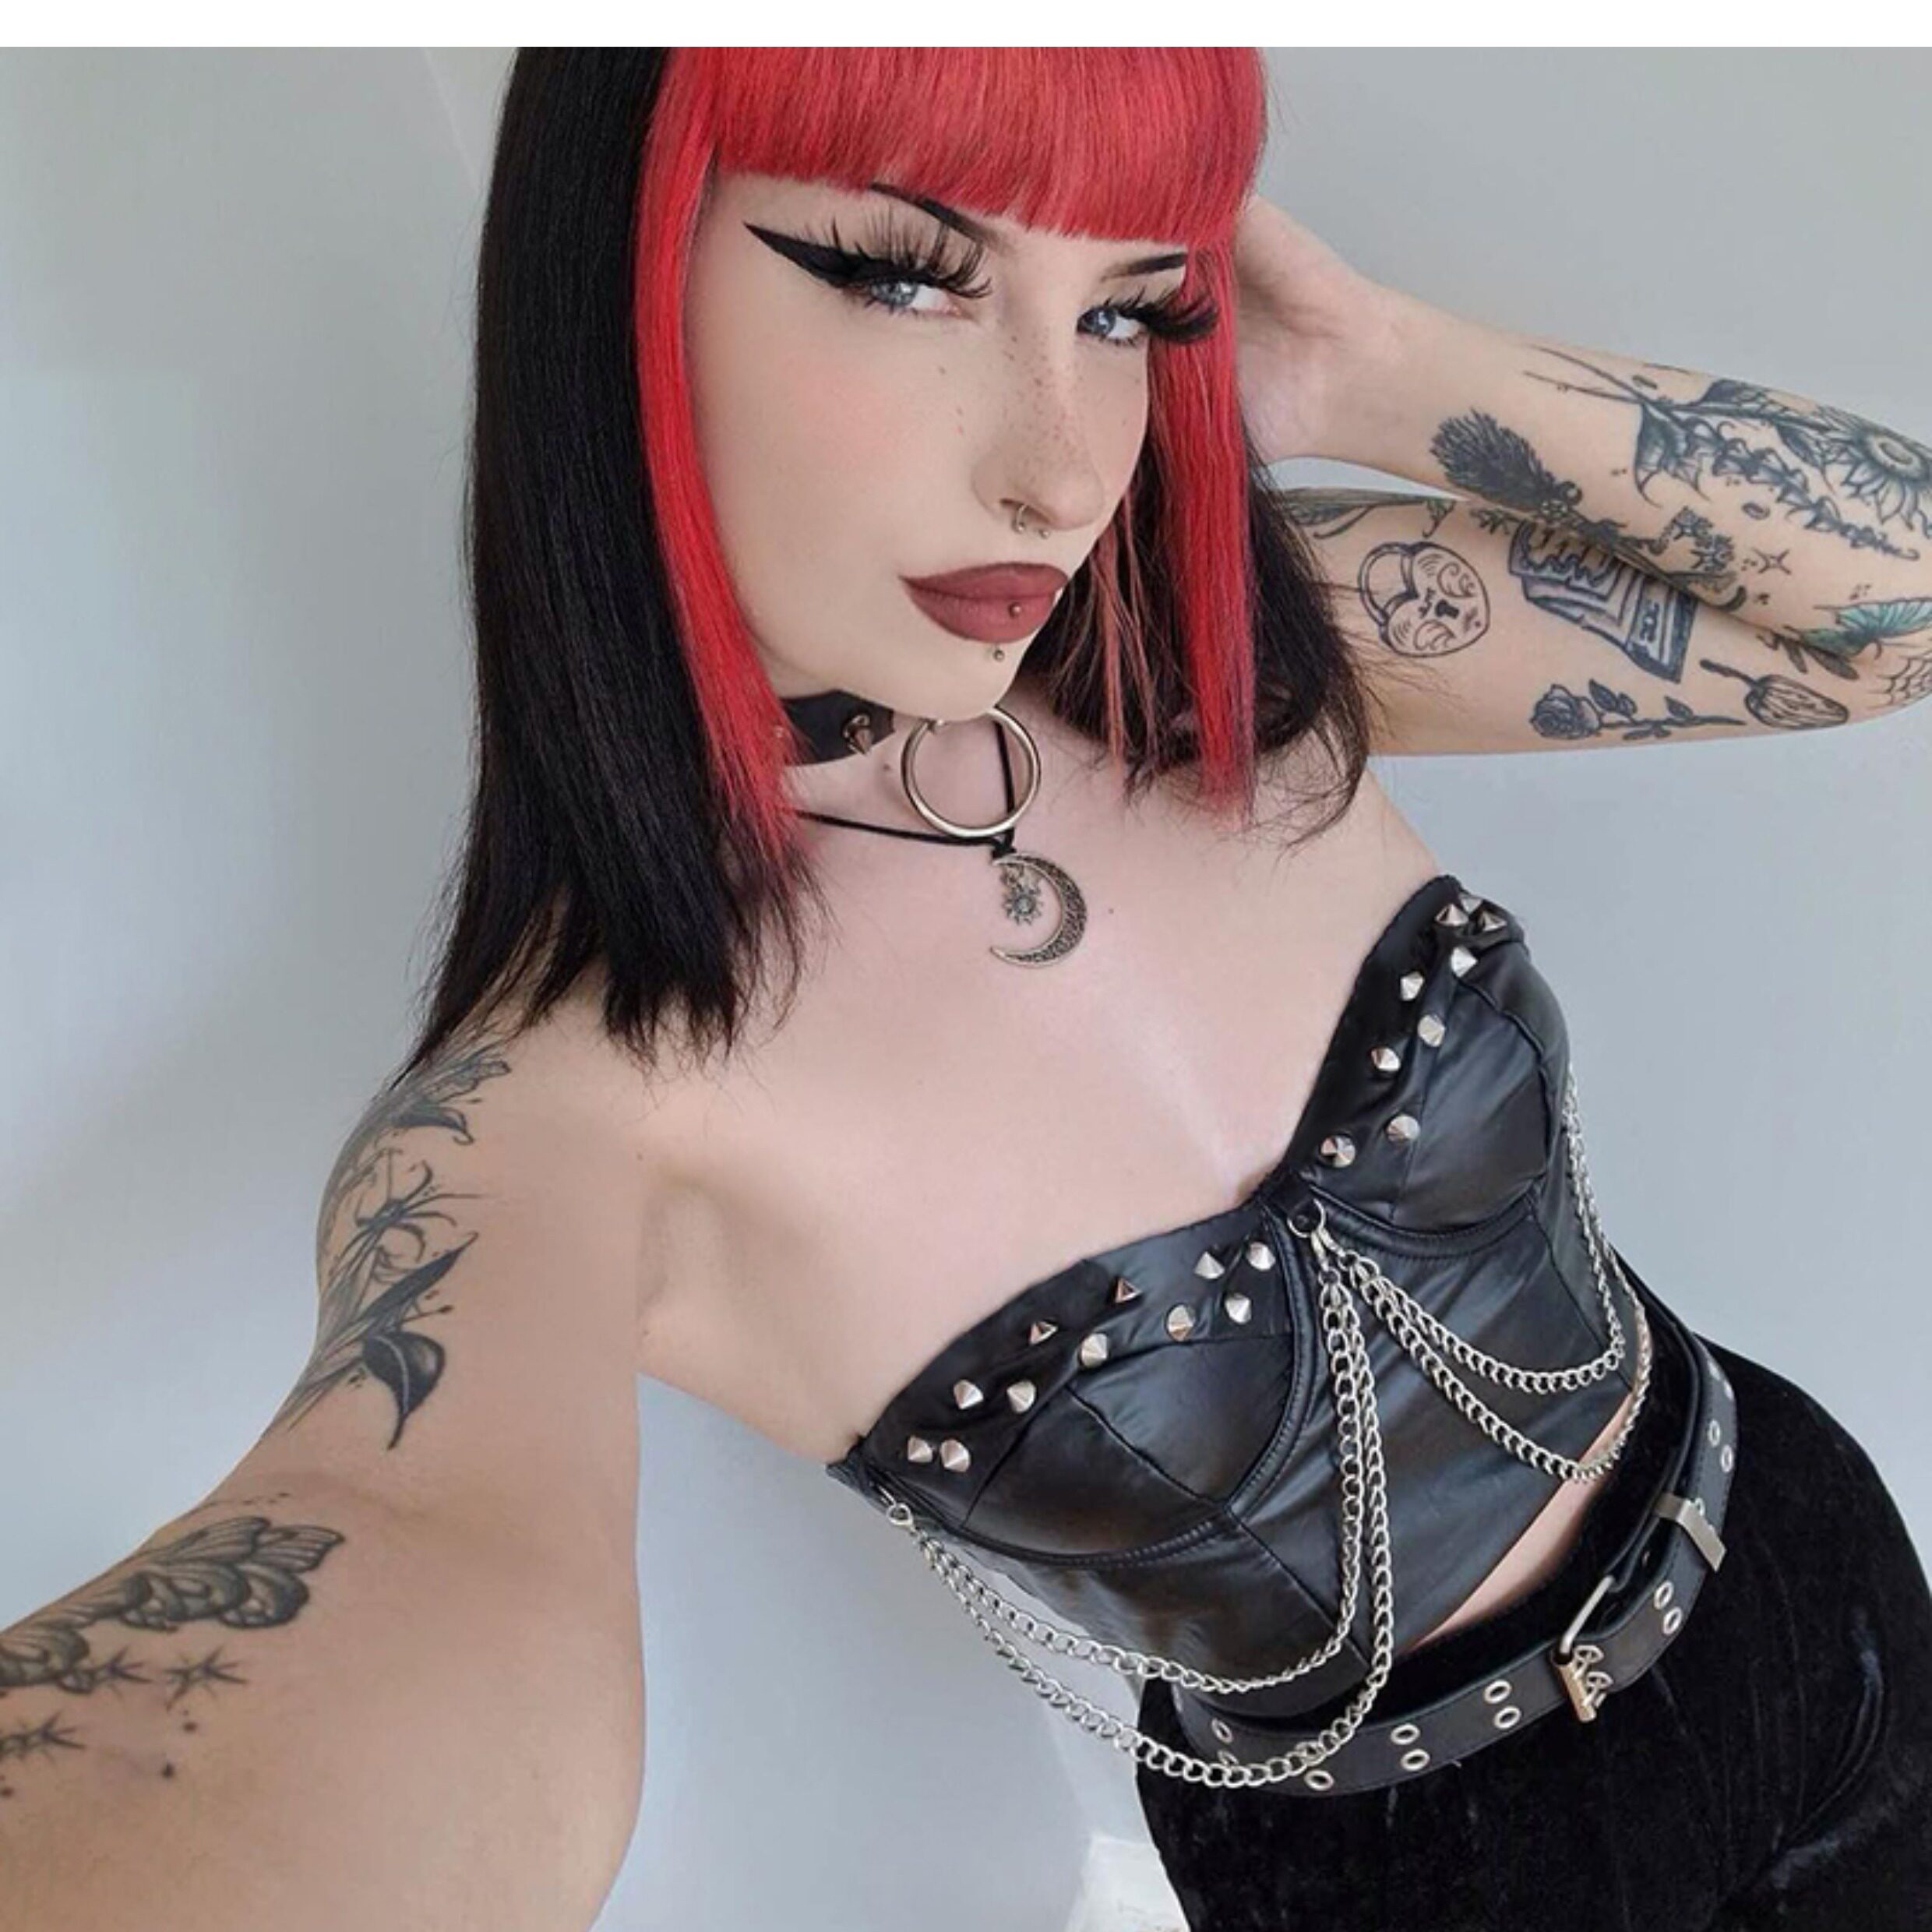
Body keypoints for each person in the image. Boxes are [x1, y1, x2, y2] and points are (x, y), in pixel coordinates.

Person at [5, 46, 1930, 1932]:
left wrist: (1365, 361)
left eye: (1128, 310)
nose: (1059, 466)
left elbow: (1886, 614)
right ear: (619, 276)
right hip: (1419, 1871)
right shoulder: (561, 1119)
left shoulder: (1221, 666)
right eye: (902, 276)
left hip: (1803, 1554)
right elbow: (398, 1560)